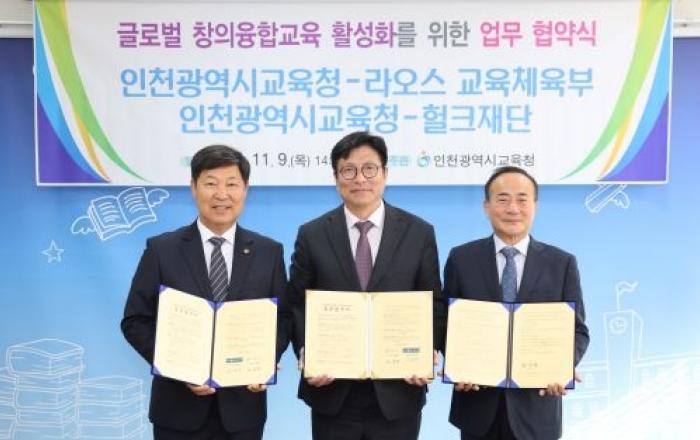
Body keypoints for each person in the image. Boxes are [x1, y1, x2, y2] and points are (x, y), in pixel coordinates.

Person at [121, 145, 290, 440]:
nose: (221, 194)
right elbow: (136, 320)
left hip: (243, 411)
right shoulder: (162, 250)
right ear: (193, 187)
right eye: (211, 183)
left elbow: (283, 319)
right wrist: (176, 367)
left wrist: (265, 359)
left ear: (245, 189)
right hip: (177, 409)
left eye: (232, 184)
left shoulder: (268, 252)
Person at [288, 131, 445, 440]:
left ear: (385, 173)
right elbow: (296, 304)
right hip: (332, 391)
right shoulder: (312, 234)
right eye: (349, 170)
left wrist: (428, 351)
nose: (360, 178)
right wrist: (308, 353)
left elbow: (433, 302)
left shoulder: (418, 232)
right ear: (336, 177)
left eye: (369, 169)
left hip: (399, 390)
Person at [443, 166, 589, 440]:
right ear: (486, 206)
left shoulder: (561, 263)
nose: (513, 209)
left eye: (522, 199)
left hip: (537, 408)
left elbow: (578, 330)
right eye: (502, 199)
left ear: (535, 206)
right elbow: (446, 322)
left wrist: (561, 366)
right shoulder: (462, 258)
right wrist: (457, 365)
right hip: (477, 407)